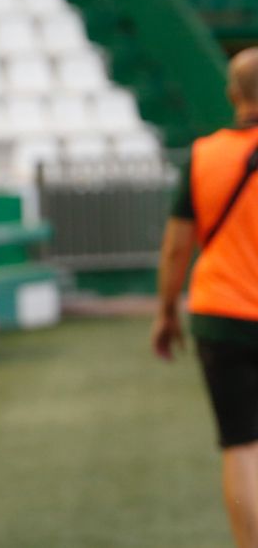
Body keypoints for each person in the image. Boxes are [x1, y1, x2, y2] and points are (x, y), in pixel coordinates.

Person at [152, 47, 258, 548]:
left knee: (240, 443)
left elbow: (177, 249)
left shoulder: (203, 155)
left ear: (233, 94)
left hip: (221, 314)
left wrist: (166, 311)